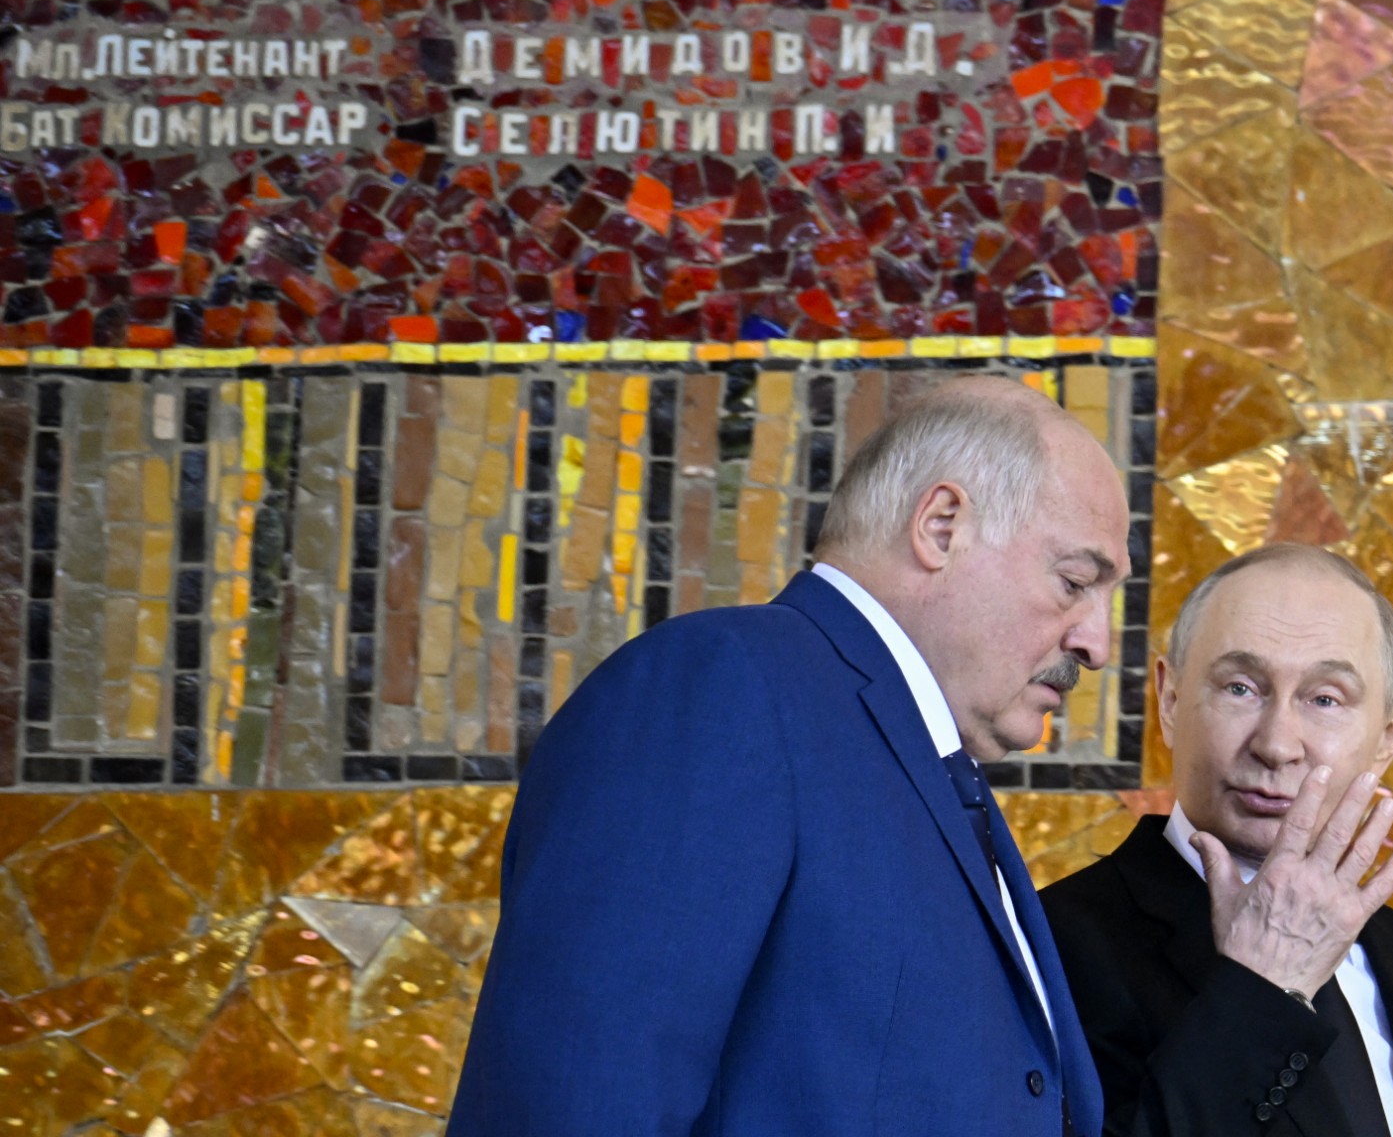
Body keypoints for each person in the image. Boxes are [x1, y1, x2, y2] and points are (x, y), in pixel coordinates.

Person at [448, 375, 1130, 1136]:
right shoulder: (718, 689)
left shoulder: (924, 765)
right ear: (941, 526)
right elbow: (577, 1101)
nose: (1095, 644)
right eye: (1074, 582)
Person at [1040, 544, 1393, 1137]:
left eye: (1325, 699)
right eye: (1241, 688)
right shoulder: (1050, 947)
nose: (1277, 744)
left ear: (1390, 732)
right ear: (1169, 700)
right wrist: (1264, 987)